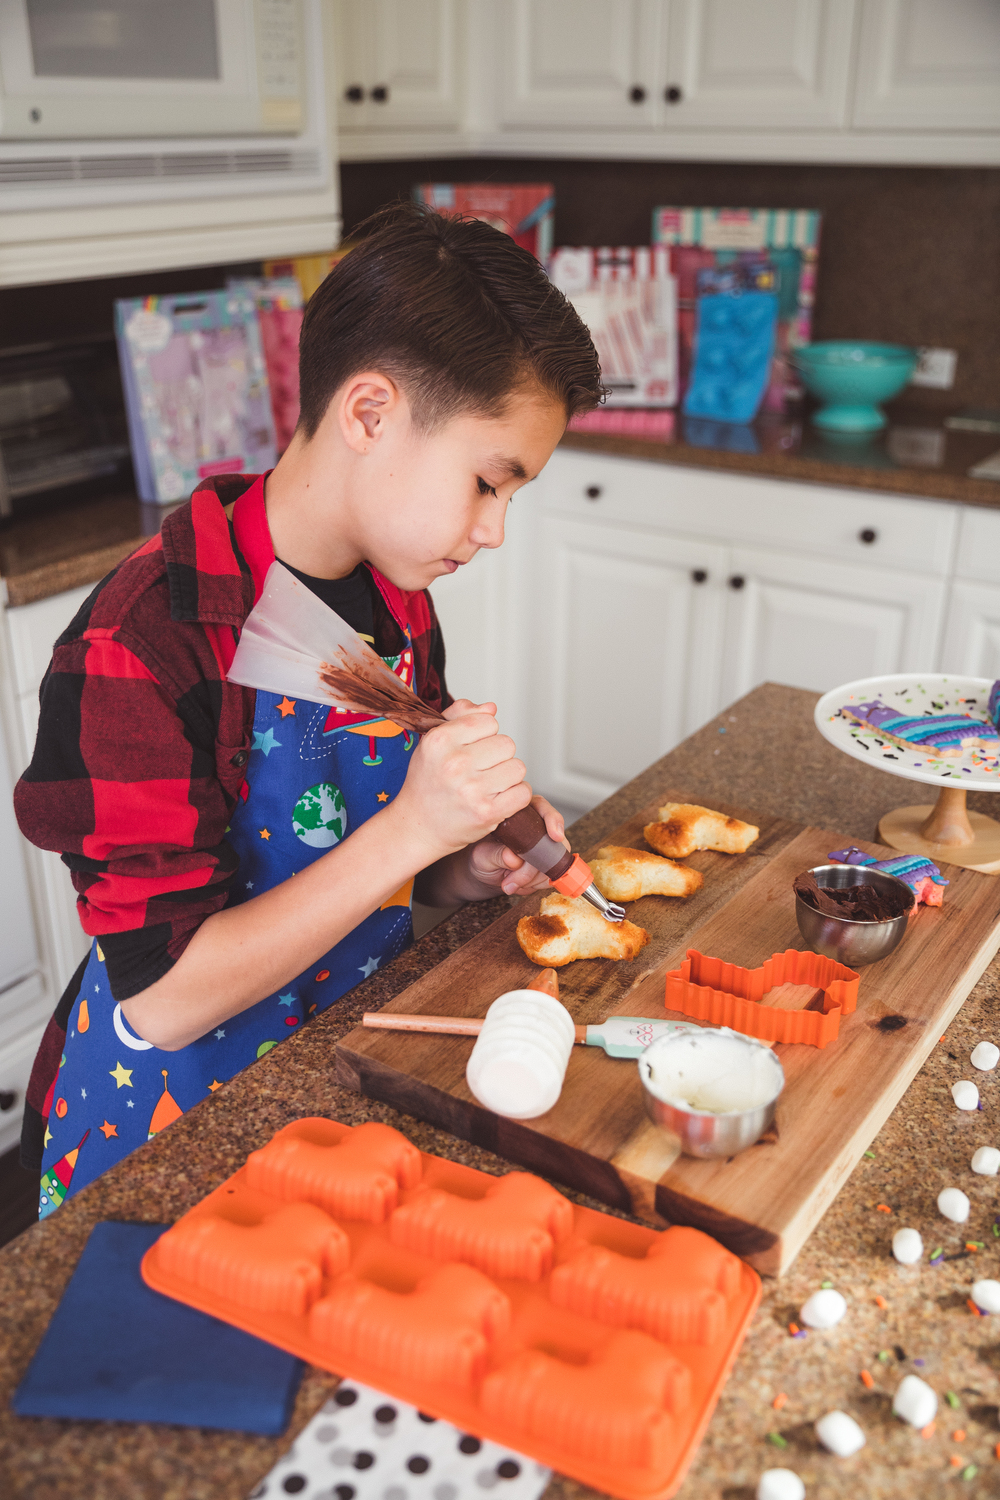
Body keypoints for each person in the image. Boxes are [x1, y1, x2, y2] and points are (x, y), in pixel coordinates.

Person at [14, 202, 604, 1213]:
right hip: (172, 1116)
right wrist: (410, 829)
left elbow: (367, 861)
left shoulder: (398, 598)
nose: (495, 530)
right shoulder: (139, 643)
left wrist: (459, 862)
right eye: (485, 482)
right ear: (368, 414)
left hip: (343, 1065)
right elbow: (164, 999)